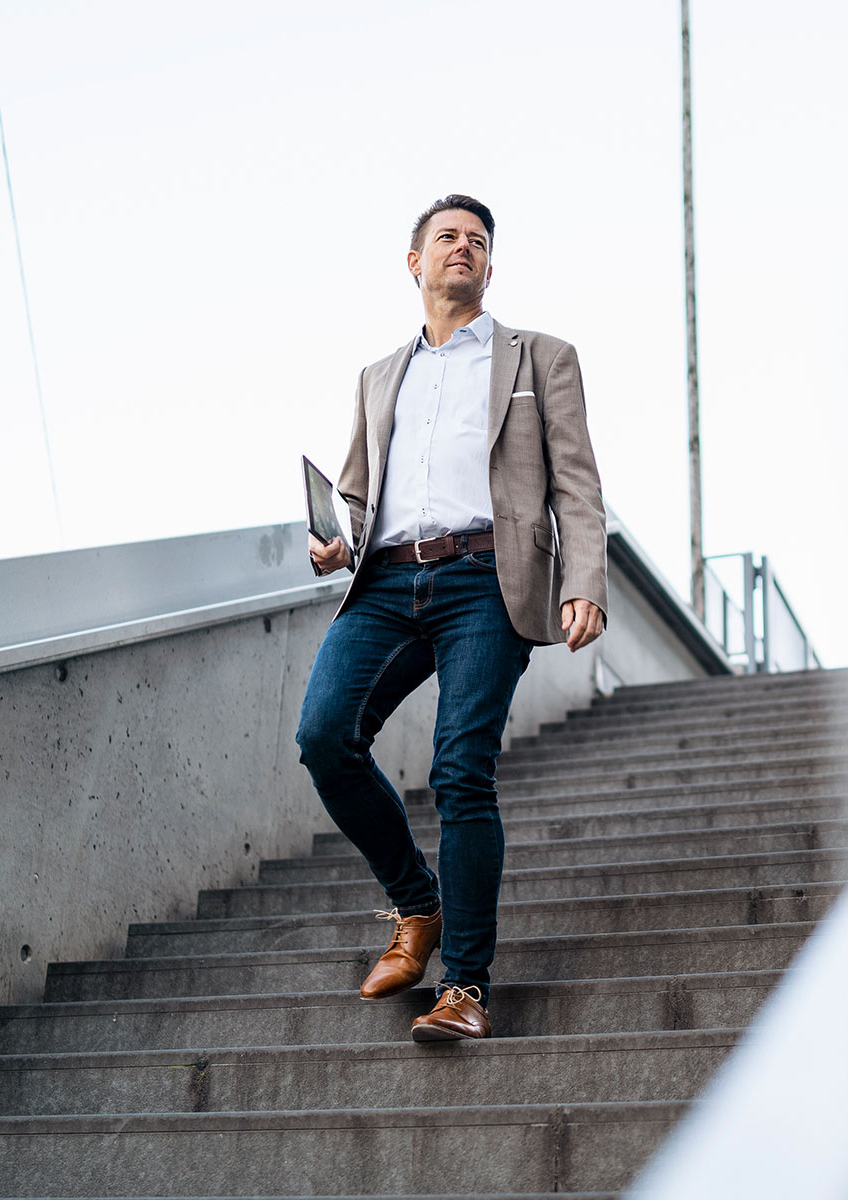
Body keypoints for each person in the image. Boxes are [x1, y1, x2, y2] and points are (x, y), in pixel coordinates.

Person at [295, 194, 607, 1041]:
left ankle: (465, 986)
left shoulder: (540, 358)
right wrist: (337, 541)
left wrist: (586, 580)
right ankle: (416, 904)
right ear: (415, 263)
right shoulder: (378, 376)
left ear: (490, 268)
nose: (461, 248)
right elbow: (358, 493)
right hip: (389, 582)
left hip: (486, 579)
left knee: (462, 769)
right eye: (445, 238)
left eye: (476, 241)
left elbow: (576, 482)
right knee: (324, 735)